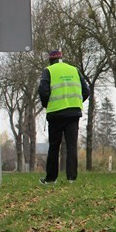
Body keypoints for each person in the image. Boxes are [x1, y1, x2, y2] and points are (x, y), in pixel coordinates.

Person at [38, 49, 89, 184]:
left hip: (56, 113)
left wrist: (46, 104)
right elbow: (86, 90)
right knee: (72, 145)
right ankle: (71, 178)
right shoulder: (75, 70)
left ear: (50, 60)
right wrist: (76, 102)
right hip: (73, 113)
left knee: (54, 146)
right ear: (62, 59)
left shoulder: (48, 71)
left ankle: (51, 179)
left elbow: (43, 91)